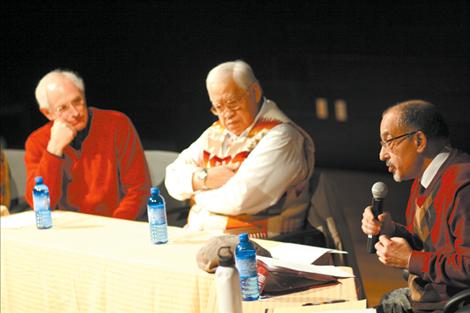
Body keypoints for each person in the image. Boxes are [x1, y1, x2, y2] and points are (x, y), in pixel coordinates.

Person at [165, 60, 315, 238]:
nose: (226, 114)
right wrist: (205, 178)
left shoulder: (282, 135)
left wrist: (195, 195)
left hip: (256, 246)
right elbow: (172, 177)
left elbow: (238, 199)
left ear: (255, 92)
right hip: (200, 235)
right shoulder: (217, 131)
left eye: (232, 103)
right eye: (218, 107)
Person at [361, 100, 470, 313]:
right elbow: (433, 245)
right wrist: (392, 231)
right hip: (424, 298)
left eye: (388, 142)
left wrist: (411, 259)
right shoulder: (425, 179)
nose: (382, 155)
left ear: (419, 141)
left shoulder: (462, 186)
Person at [25, 69, 151, 220]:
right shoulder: (37, 141)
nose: (75, 113)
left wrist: (114, 229)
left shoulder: (117, 124)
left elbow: (138, 191)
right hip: (67, 229)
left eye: (77, 101)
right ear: (48, 113)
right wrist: (54, 149)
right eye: (63, 108)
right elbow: (40, 205)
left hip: (115, 225)